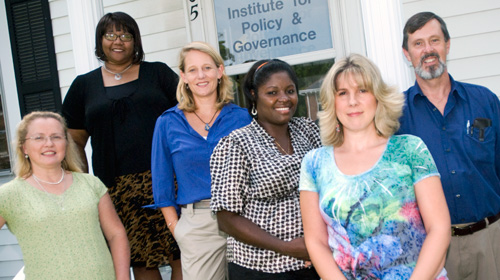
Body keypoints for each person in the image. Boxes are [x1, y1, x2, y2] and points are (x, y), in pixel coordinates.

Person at [299, 54, 451, 279]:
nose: (353, 101)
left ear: (378, 97)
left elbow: (439, 229)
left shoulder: (410, 150)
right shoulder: (314, 163)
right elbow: (316, 241)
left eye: (362, 90)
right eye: (343, 93)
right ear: (332, 102)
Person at [61, 12, 180, 280]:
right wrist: (83, 185)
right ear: (100, 40)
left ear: (135, 41)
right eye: (110, 34)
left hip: (168, 180)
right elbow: (74, 141)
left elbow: (187, 117)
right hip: (117, 188)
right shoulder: (84, 85)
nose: (118, 41)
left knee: (181, 253)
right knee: (141, 260)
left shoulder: (158, 73)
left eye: (126, 35)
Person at [397, 12, 500, 280]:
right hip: (431, 249)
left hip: (492, 241)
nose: (428, 50)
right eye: (418, 43)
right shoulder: (395, 117)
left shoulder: (485, 101)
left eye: (434, 40)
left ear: (447, 45)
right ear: (407, 54)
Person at [210, 59, 321, 279]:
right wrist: (286, 247)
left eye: (290, 91)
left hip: (313, 263)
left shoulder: (308, 131)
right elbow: (226, 218)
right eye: (272, 92)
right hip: (260, 268)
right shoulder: (237, 144)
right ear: (254, 95)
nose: (284, 98)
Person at [150, 41, 251, 280]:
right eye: (193, 70)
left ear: (220, 71)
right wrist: (177, 229)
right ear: (183, 76)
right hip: (198, 226)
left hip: (245, 218)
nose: (201, 75)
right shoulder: (167, 123)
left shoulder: (243, 118)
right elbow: (161, 184)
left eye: (207, 67)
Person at [0, 111, 130, 279]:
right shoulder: (9, 195)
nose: (49, 143)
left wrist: (123, 277)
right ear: (24, 147)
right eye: (38, 137)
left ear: (66, 144)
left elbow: (116, 235)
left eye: (56, 137)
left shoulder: (91, 184)